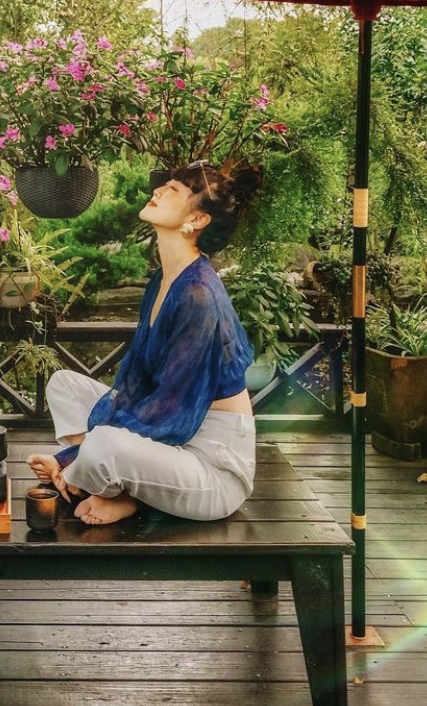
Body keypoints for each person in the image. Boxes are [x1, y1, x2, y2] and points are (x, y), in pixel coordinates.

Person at [28, 161, 260, 526]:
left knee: (105, 444)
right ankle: (119, 488)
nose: (158, 191)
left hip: (211, 469)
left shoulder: (199, 296)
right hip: (174, 438)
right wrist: (75, 455)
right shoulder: (164, 280)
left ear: (197, 221)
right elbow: (133, 385)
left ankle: (115, 492)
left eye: (173, 191)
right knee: (64, 386)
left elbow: (170, 415)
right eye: (164, 185)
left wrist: (70, 462)